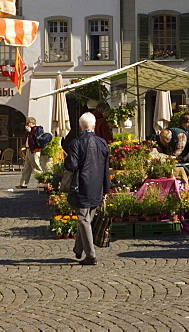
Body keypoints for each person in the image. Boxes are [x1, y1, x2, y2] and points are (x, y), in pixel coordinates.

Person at [64, 112, 110, 266]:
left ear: (80, 126)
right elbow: (106, 169)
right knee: (87, 219)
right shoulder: (102, 143)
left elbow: (71, 165)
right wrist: (106, 189)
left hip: (82, 186)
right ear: (94, 125)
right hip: (97, 186)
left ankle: (91, 255)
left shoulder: (76, 143)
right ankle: (78, 249)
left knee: (84, 220)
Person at [18, 117, 43, 189]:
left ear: (32, 123)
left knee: (36, 167)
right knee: (27, 167)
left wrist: (30, 132)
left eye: (28, 123)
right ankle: (23, 184)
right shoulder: (29, 131)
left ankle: (42, 183)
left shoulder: (37, 130)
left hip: (34, 151)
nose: (26, 125)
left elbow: (36, 139)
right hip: (29, 150)